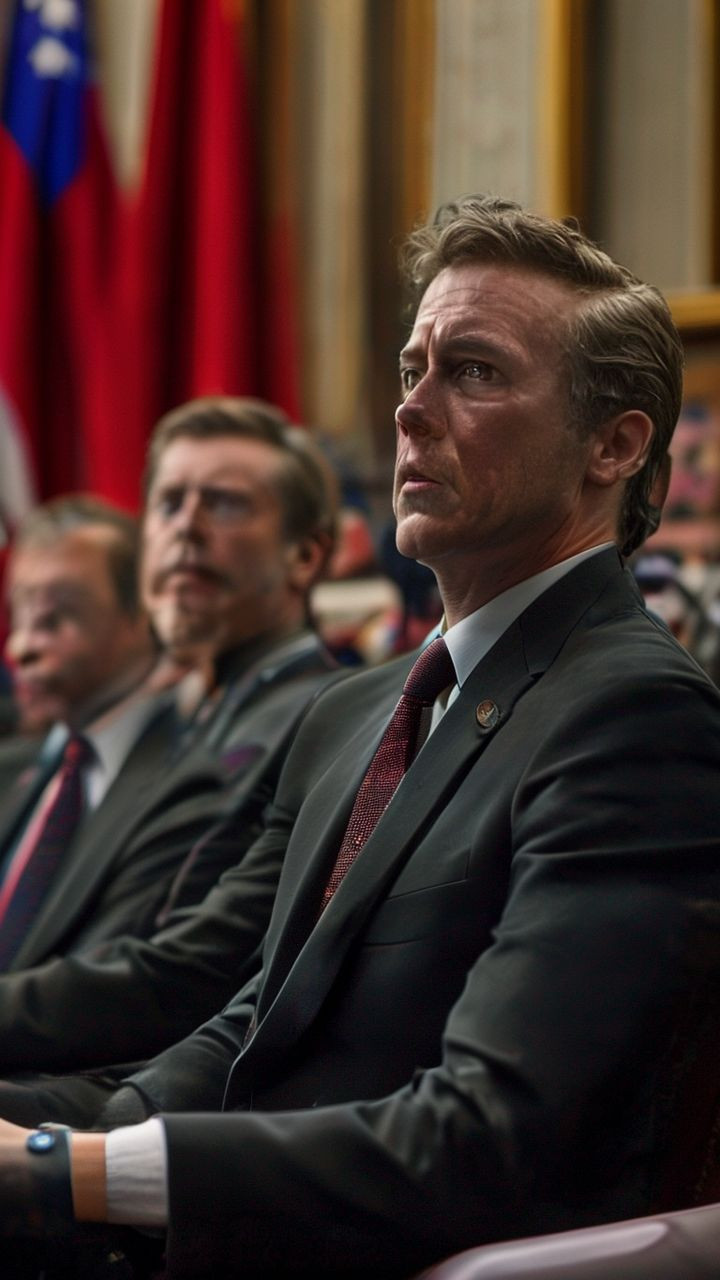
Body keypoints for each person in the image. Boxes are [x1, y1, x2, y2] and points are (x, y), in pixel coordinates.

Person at [3, 195, 720, 1279]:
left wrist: (69, 1173)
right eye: (410, 369)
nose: (410, 412)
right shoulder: (357, 709)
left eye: (472, 372)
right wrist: (53, 1141)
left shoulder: (633, 717)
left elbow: (492, 1136)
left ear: (614, 446)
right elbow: (249, 1024)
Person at [0, 397, 337, 981]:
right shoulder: (181, 723)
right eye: (169, 503)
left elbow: (183, 976)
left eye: (224, 503)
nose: (186, 526)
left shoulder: (333, 719)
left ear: (304, 556)